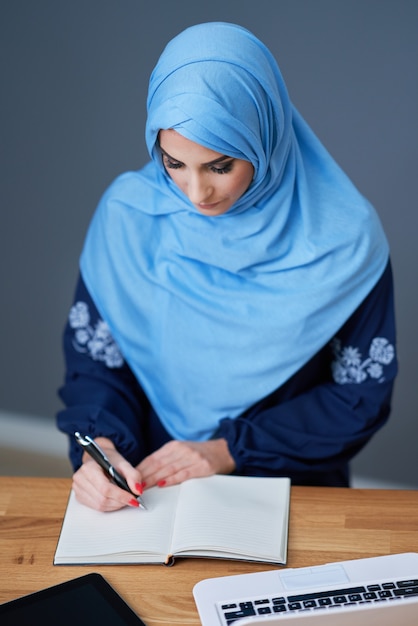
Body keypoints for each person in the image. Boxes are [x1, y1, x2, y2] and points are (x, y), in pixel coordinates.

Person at [57, 22, 397, 511]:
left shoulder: (345, 242)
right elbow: (97, 363)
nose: (197, 194)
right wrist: (101, 448)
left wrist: (226, 450)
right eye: (173, 164)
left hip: (291, 491)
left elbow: (359, 397)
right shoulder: (128, 217)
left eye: (219, 167)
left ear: (266, 139)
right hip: (152, 489)